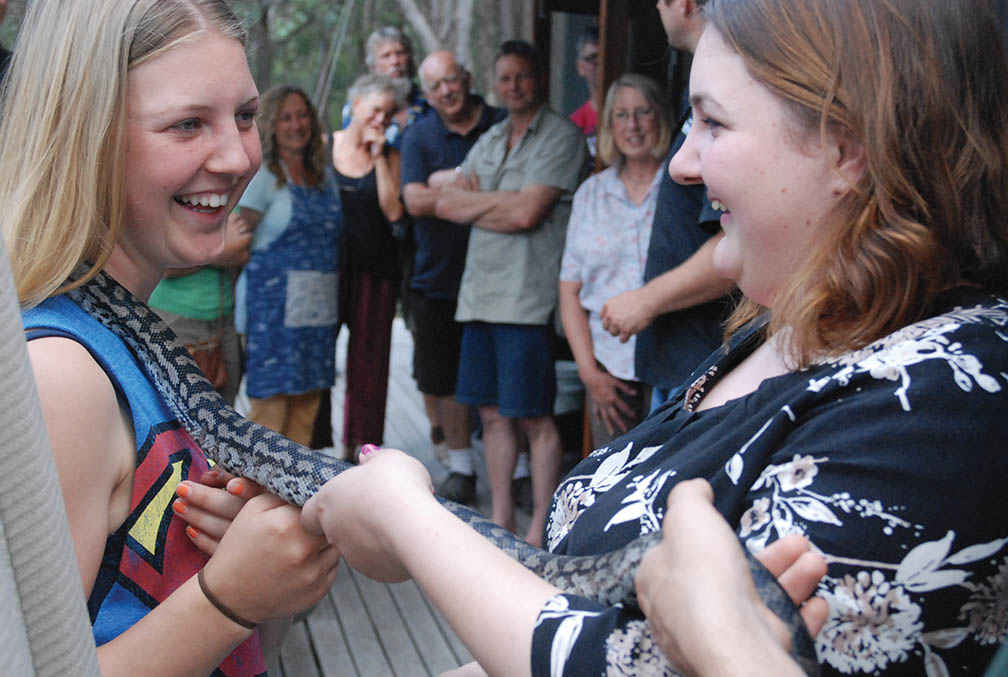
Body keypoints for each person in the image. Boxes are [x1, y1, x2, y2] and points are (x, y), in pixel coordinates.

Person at [302, 0, 1008, 673]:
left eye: (713, 124)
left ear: (845, 145)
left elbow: (642, 663)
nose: (682, 165)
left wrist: (405, 518)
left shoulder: (949, 400)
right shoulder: (788, 325)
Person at [5, 1, 340, 674]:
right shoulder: (61, 376)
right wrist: (229, 598)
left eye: (246, 116)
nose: (239, 155)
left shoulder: (128, 330)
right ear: (84, 136)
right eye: (188, 124)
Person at [435, 40, 588, 546]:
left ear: (539, 80)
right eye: (505, 78)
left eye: (522, 76)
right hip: (479, 294)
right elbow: (446, 201)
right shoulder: (493, 135)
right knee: (492, 415)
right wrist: (501, 202)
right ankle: (500, 521)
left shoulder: (561, 136)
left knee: (534, 418)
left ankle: (541, 523)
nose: (513, 86)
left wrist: (480, 201)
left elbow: (529, 214)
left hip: (527, 299)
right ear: (494, 84)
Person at [601, 0, 734, 411]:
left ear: (686, 4)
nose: (678, 167)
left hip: (704, 363)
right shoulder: (702, 83)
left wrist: (647, 299)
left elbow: (738, 238)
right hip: (674, 361)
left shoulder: (728, 83)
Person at [399, 50, 505, 504]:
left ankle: (514, 467)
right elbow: (413, 201)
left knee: (500, 376)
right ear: (426, 93)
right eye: (436, 86)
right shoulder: (419, 135)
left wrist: (440, 186)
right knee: (442, 379)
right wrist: (469, 183)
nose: (447, 91)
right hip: (438, 278)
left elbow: (520, 191)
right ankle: (460, 465)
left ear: (467, 76)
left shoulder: (501, 123)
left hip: (502, 277)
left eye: (452, 80)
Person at [558, 73, 670, 448]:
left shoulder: (683, 188)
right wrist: (590, 374)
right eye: (622, 115)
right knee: (610, 487)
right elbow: (570, 290)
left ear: (662, 118)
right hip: (611, 372)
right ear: (609, 125)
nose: (633, 126)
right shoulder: (591, 193)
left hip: (675, 369)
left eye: (643, 113)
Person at [235, 85, 342, 448]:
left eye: (302, 115)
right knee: (270, 408)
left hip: (318, 310)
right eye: (286, 117)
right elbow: (236, 242)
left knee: (308, 404)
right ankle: (256, 497)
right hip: (273, 312)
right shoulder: (264, 176)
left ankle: (295, 500)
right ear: (271, 125)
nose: (296, 124)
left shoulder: (325, 176)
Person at [331, 74, 405, 460]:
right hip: (329, 271)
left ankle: (360, 447)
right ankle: (316, 442)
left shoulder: (390, 156)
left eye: (389, 114)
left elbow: (393, 210)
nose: (382, 118)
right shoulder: (326, 146)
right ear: (355, 104)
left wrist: (378, 157)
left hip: (375, 271)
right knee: (320, 355)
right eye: (376, 109)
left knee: (369, 365)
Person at [148, 213, 251, 404]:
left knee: (225, 404)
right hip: (175, 317)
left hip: (224, 317)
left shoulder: (232, 198)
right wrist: (221, 251)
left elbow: (243, 252)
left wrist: (197, 253)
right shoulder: (174, 200)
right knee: (176, 404)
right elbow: (166, 266)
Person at [341, 26, 427, 149]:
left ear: (409, 58)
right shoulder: (358, 106)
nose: (395, 61)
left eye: (400, 53)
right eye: (386, 56)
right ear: (373, 66)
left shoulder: (427, 102)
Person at [568, 27, 600, 155]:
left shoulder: (633, 117)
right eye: (592, 57)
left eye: (605, 55)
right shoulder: (575, 125)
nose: (600, 62)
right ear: (580, 67)